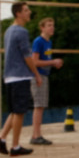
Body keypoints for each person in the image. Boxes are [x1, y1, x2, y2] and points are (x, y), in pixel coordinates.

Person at [0, 2, 43, 157]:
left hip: (9, 76)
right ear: (18, 13)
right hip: (20, 76)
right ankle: (15, 146)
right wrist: (36, 74)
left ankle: (1, 139)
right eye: (26, 10)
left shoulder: (9, 30)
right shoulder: (21, 32)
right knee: (19, 112)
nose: (29, 12)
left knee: (15, 111)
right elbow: (27, 56)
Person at [29, 17, 64, 145]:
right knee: (38, 106)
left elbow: (45, 60)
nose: (52, 27)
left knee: (41, 106)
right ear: (42, 28)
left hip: (44, 75)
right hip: (38, 76)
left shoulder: (48, 42)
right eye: (49, 25)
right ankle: (36, 135)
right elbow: (34, 61)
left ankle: (37, 134)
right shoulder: (38, 41)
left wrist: (53, 64)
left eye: (52, 25)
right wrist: (53, 62)